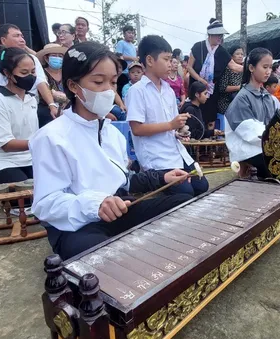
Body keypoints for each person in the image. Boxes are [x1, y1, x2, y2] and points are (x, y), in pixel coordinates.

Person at [29, 41, 192, 260]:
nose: (108, 90)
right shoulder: (51, 137)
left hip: (120, 210)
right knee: (96, 252)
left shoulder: (112, 133)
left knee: (183, 205)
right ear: (74, 86)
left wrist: (162, 177)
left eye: (113, 82)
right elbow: (46, 204)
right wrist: (95, 205)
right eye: (98, 82)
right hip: (80, 226)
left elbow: (124, 181)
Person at [127, 35, 209, 197]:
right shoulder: (137, 91)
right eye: (166, 59)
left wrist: (178, 132)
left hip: (175, 151)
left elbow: (171, 126)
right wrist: (171, 126)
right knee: (184, 194)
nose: (171, 65)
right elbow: (136, 129)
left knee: (201, 186)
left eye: (171, 59)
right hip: (157, 158)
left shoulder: (168, 90)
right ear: (150, 61)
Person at [225, 48, 280, 180]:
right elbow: (250, 134)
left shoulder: (267, 96)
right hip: (248, 150)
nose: (268, 71)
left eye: (270, 67)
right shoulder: (242, 98)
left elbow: (278, 124)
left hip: (265, 145)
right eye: (264, 67)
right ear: (251, 68)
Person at [0, 24, 58, 120]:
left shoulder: (32, 59)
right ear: (3, 40)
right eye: (16, 36)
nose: (22, 40)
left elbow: (41, 83)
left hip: (31, 111)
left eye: (22, 36)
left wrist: (52, 105)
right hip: (3, 114)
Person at [0, 47, 39, 184]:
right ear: (7, 73)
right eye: (24, 72)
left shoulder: (31, 99)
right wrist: (41, 142)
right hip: (2, 162)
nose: (30, 76)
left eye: (33, 72)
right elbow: (6, 144)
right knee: (25, 193)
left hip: (30, 159)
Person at [187, 19, 243, 129]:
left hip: (211, 90)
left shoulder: (222, 51)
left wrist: (252, 66)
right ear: (210, 35)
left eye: (221, 35)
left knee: (210, 118)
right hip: (197, 87)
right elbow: (189, 67)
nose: (220, 37)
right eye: (217, 35)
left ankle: (209, 143)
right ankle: (195, 143)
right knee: (195, 116)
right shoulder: (198, 47)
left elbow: (234, 66)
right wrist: (200, 79)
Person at [36, 43, 68, 128]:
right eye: (54, 55)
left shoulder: (68, 74)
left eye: (60, 56)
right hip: (47, 112)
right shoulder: (41, 74)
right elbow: (43, 91)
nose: (57, 58)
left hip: (67, 111)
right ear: (46, 58)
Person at [218, 45, 244, 114]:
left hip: (238, 101)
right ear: (231, 56)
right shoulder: (227, 69)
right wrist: (239, 87)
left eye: (242, 54)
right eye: (237, 54)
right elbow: (222, 88)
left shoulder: (243, 69)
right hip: (226, 102)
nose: (240, 56)